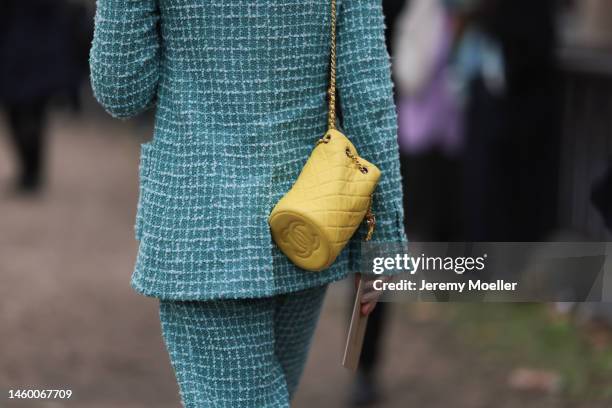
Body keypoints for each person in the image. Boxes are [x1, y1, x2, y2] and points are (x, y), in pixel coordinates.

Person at [90, 0, 406, 406]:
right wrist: (381, 242)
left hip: (202, 217)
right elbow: (368, 94)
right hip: (312, 213)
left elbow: (122, 90)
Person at [0, 0, 89, 193]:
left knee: (21, 115)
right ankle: (32, 171)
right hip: (33, 56)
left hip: (19, 55)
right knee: (31, 115)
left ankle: (30, 171)